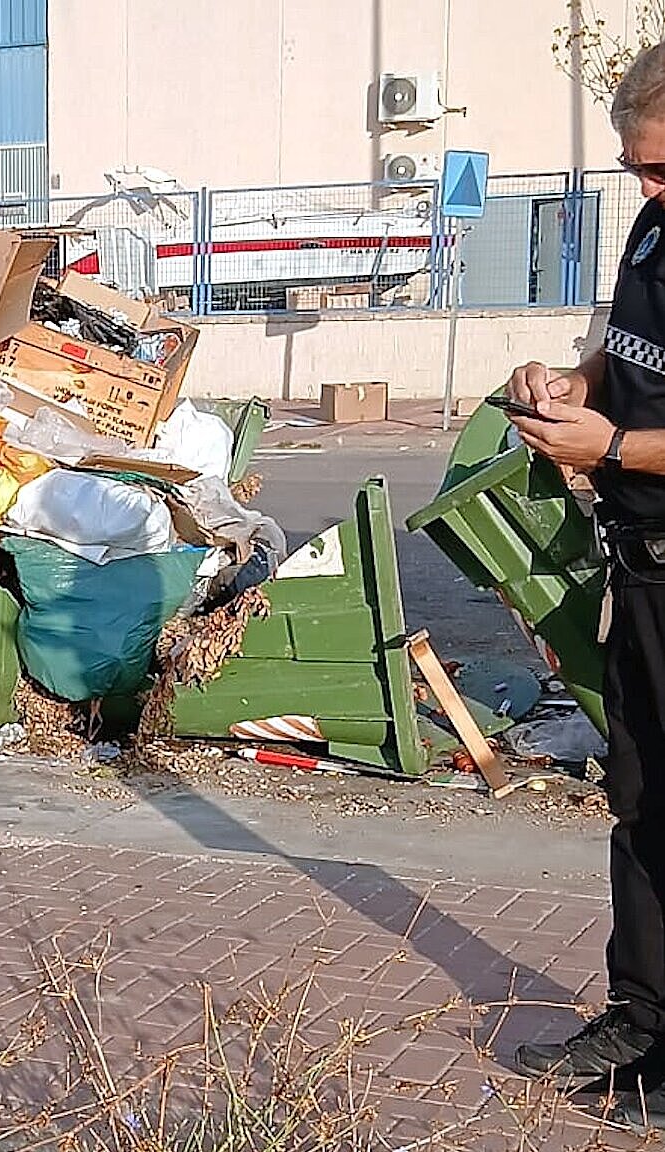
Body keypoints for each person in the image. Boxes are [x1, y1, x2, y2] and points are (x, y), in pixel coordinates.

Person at [504, 44, 665, 1127]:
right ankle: (641, 1024)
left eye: (659, 169)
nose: (643, 189)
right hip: (642, 572)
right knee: (641, 808)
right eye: (632, 167)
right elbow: (621, 349)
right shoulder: (654, 227)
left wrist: (610, 446)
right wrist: (571, 383)